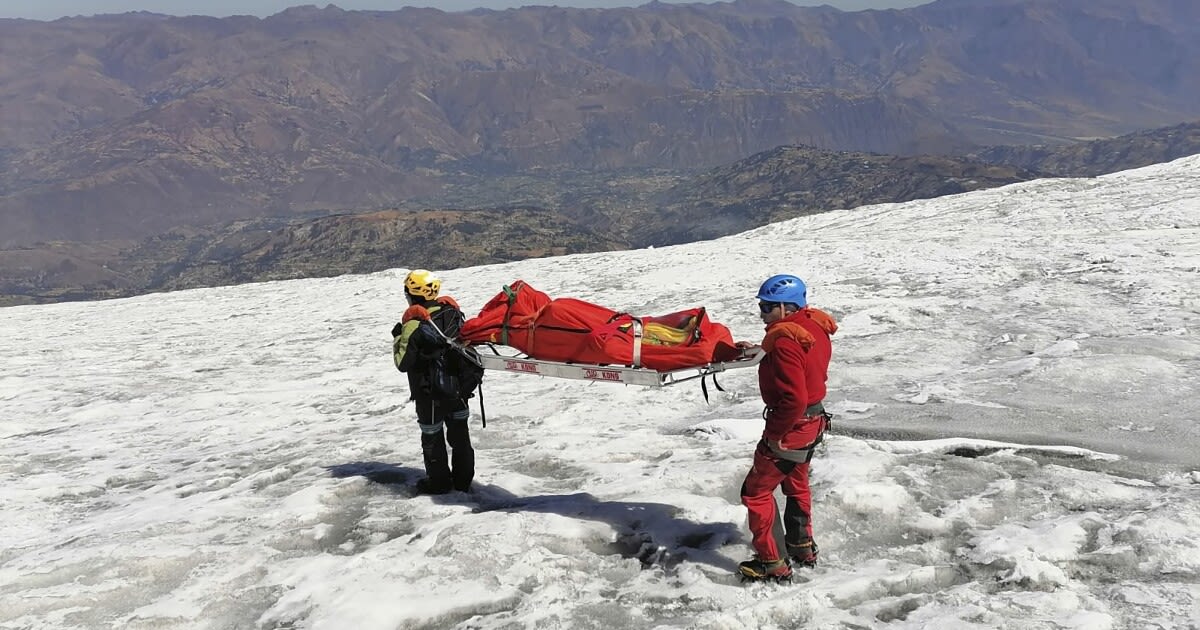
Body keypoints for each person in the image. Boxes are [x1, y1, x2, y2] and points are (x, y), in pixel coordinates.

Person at [737, 273, 838, 581]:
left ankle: (771, 563)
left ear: (785, 306)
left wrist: (775, 436)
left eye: (767, 307)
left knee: (756, 492)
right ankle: (801, 545)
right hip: (813, 422)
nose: (763, 314)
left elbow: (793, 398)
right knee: (796, 484)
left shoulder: (784, 341)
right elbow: (801, 359)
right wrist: (761, 349)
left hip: (793, 426)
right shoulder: (811, 325)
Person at [392, 269, 475, 494]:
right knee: (460, 436)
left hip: (429, 394)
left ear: (412, 294)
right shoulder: (452, 313)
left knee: (432, 438)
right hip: (458, 389)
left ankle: (438, 485)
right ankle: (463, 482)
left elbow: (402, 363)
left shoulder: (413, 323)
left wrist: (398, 336)